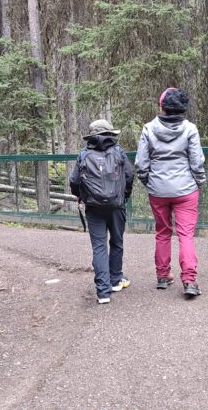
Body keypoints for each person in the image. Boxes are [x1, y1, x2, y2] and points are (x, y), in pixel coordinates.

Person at [135, 88, 206, 298]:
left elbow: (141, 162)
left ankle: (163, 276)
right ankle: (190, 280)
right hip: (185, 189)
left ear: (161, 106)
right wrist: (198, 182)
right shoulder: (190, 129)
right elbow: (197, 161)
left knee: (163, 232)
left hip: (158, 190)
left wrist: (149, 181)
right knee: (186, 235)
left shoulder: (148, 128)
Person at [69, 119, 135, 305]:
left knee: (99, 246)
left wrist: (80, 196)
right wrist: (125, 195)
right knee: (117, 242)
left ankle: (103, 292)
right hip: (116, 205)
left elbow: (74, 181)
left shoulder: (84, 155)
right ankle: (115, 280)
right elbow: (129, 176)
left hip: (93, 206)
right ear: (110, 134)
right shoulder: (119, 152)